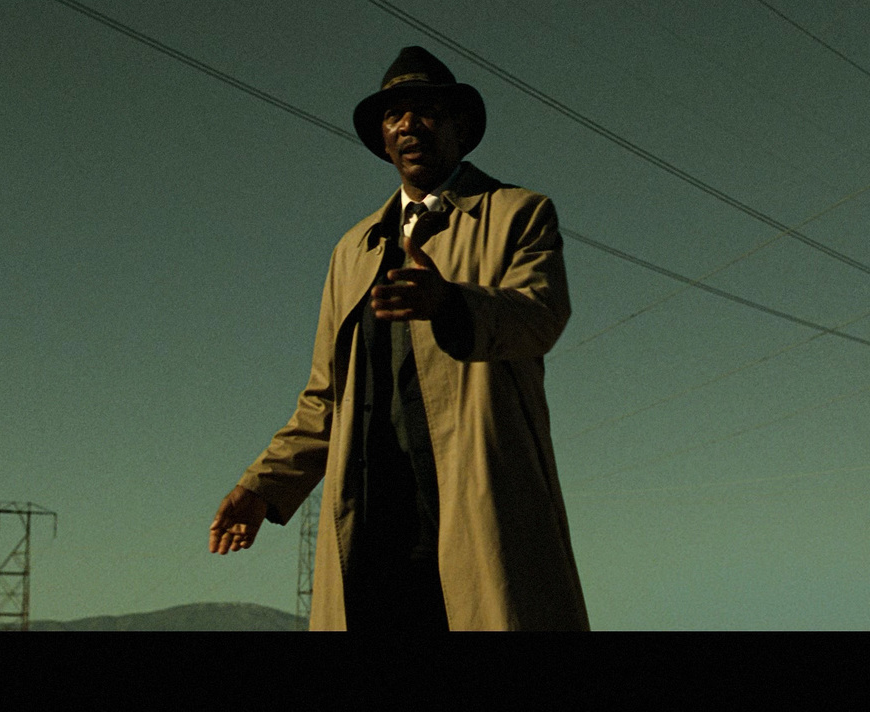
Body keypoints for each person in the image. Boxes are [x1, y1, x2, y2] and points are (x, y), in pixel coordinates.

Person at [209, 46, 588, 632]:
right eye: (394, 115)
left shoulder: (518, 214)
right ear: (383, 140)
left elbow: (538, 316)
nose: (408, 124)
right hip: (374, 529)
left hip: (475, 509)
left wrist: (450, 302)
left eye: (425, 110)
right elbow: (325, 400)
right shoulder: (352, 250)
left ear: (459, 127)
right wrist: (262, 488)